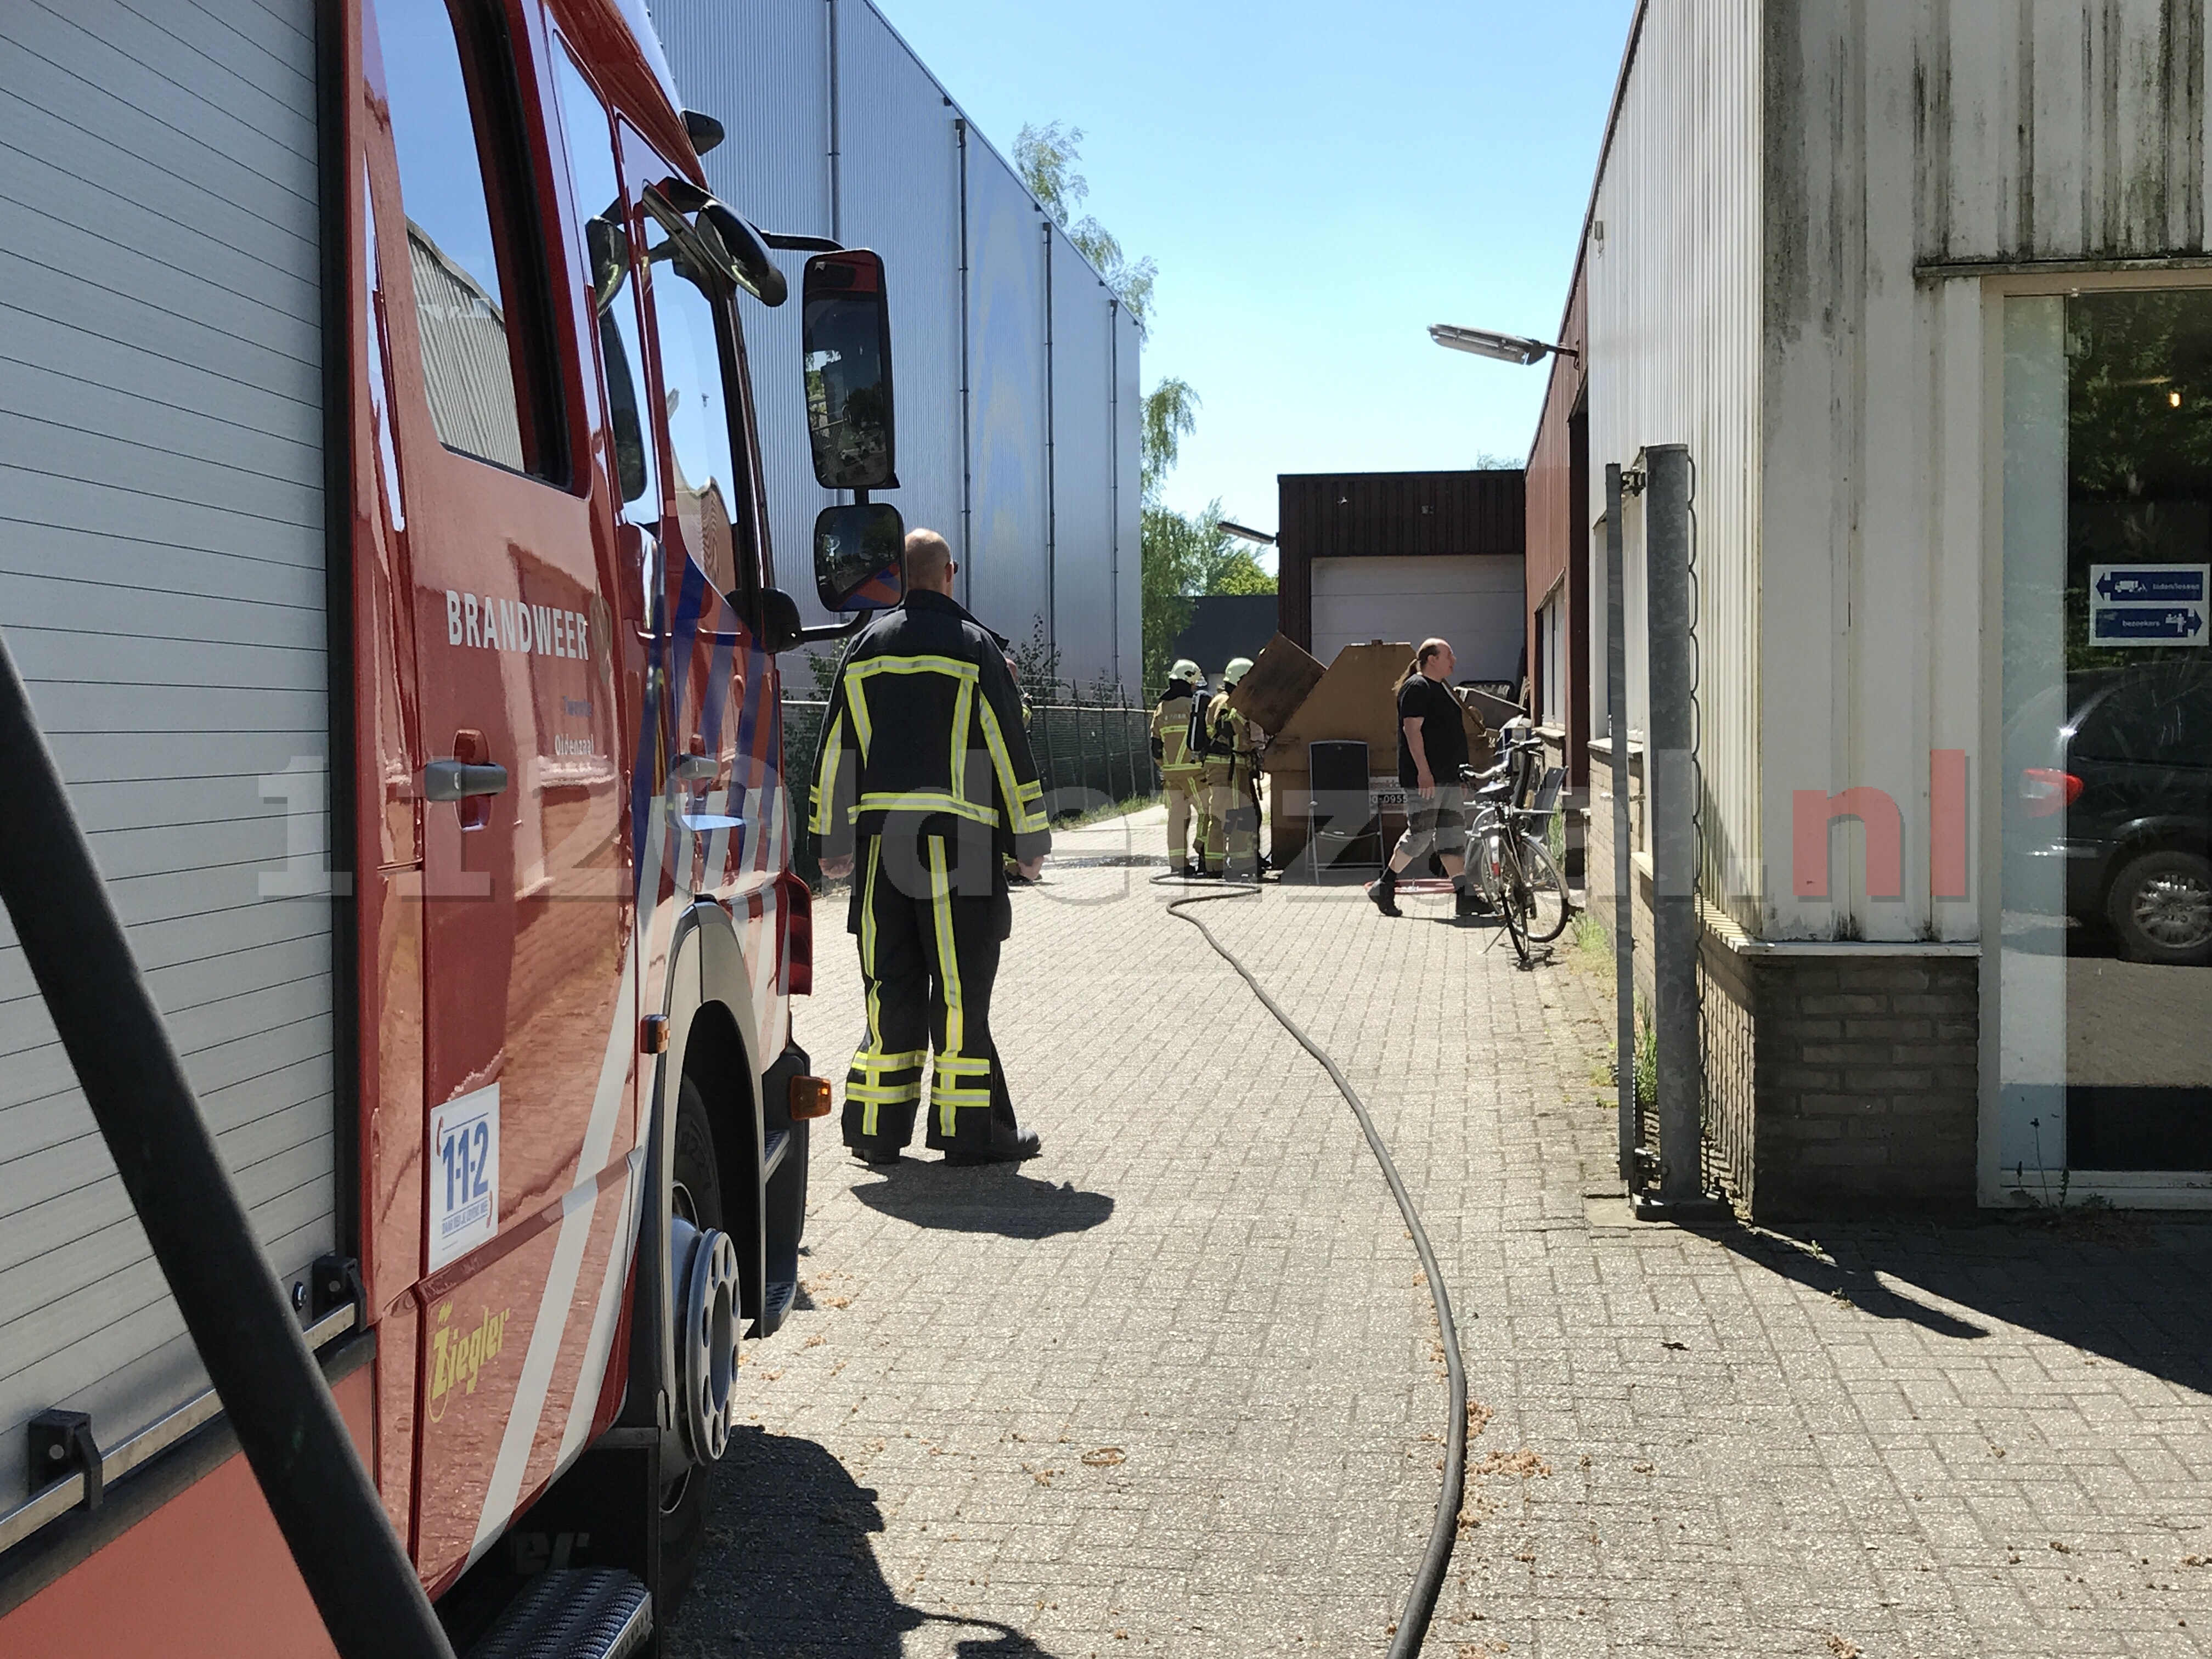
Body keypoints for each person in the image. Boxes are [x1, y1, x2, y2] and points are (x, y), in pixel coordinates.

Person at [811, 528, 1051, 1166]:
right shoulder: (976, 649)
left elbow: (836, 749)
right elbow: (1005, 749)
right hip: (961, 847)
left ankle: (875, 1131)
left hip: (882, 847)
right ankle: (971, 1134)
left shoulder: (864, 649)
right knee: (959, 992)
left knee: (889, 984)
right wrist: (1029, 841)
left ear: (898, 575)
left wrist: (832, 842)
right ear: (951, 572)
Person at [1368, 638, 1483, 918]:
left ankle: (1464, 896)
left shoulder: (1442, 688)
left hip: (1448, 779)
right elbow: (1412, 730)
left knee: (1451, 838)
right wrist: (1424, 771)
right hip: (1427, 780)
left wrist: (1460, 778)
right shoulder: (1417, 687)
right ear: (1432, 659)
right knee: (1420, 835)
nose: (1453, 660)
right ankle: (1385, 886)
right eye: (1449, 655)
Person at [1201, 657, 1265, 880]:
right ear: (1240, 681)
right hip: (1222, 768)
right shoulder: (1223, 701)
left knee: (1244, 816)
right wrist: (1242, 712)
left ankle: (1242, 864)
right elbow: (1226, 729)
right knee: (1220, 816)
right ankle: (1214, 866)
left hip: (1237, 767)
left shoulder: (1233, 702)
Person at [1149, 659, 1206, 876]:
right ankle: (1205, 855)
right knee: (1209, 813)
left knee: (1177, 819)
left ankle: (1178, 864)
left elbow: (1155, 746)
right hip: (1196, 772)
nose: (1195, 688)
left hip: (1171, 776)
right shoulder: (1194, 705)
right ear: (1189, 681)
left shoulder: (1161, 709)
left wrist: (1166, 767)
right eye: (1194, 683)